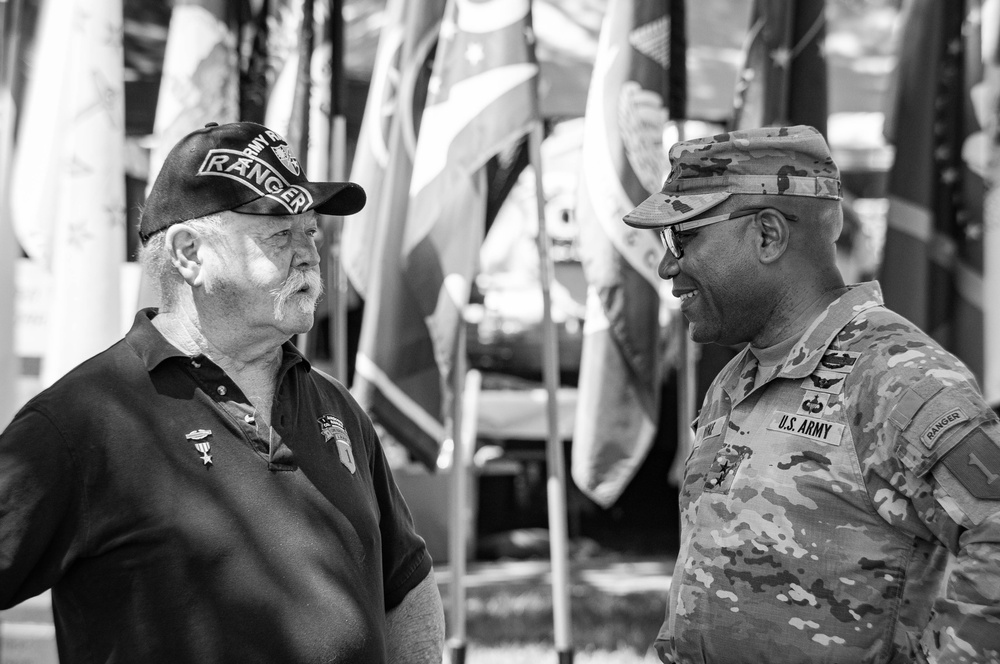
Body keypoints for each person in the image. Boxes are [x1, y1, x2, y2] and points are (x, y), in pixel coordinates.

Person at [0, 121, 445, 663]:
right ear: (189, 253)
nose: (309, 255)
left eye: (311, 233)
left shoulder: (336, 408)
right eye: (280, 235)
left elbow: (406, 584)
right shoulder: (82, 422)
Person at [624, 125, 1000, 664]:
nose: (667, 266)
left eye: (683, 239)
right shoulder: (737, 378)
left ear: (768, 235)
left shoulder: (895, 377)